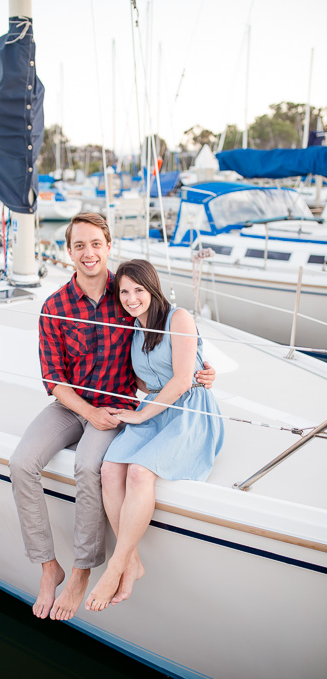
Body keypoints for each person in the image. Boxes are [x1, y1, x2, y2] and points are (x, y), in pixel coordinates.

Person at [9, 214, 216, 622]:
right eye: (80, 246)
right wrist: (89, 413)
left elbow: (166, 340)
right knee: (20, 463)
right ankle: (49, 566)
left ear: (108, 247)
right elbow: (53, 380)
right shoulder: (54, 307)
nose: (89, 253)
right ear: (68, 252)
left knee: (90, 466)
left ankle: (84, 569)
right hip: (73, 405)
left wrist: (199, 371)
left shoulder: (126, 294)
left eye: (96, 244)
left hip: (119, 404)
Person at [85, 259, 224, 613]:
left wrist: (141, 413)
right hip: (156, 409)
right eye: (125, 292)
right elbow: (146, 382)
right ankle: (133, 562)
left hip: (189, 411)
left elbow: (180, 381)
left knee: (139, 472)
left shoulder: (178, 318)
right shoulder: (133, 330)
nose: (131, 299)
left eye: (139, 290)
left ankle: (117, 565)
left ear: (153, 289)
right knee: (109, 469)